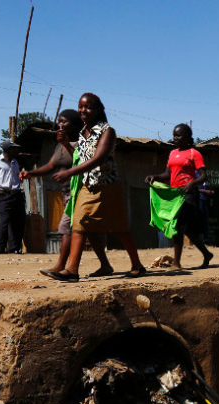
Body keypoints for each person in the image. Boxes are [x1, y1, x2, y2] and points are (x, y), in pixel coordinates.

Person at [46, 93, 145, 282]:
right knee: (79, 222)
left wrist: (70, 172)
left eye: (88, 107)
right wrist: (66, 144)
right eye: (80, 106)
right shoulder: (83, 132)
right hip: (88, 185)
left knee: (120, 228)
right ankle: (72, 271)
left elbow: (98, 158)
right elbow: (82, 156)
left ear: (98, 110)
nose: (83, 110)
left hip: (108, 186)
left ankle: (137, 266)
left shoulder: (107, 131)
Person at [19, 109, 112, 277]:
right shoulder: (59, 145)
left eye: (64, 122)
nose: (60, 125)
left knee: (66, 226)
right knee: (91, 231)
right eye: (59, 122)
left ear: (75, 124)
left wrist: (67, 145)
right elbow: (51, 166)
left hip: (82, 192)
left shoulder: (83, 142)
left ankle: (62, 266)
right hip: (67, 192)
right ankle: (105, 265)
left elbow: (82, 162)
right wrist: (30, 173)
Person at [144, 123, 214, 271]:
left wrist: (192, 183)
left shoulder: (194, 154)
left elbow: (203, 176)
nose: (175, 138)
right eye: (174, 135)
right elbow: (167, 175)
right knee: (189, 230)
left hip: (188, 195)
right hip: (175, 195)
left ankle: (176, 263)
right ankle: (207, 254)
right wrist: (155, 177)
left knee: (178, 225)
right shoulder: (172, 153)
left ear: (187, 137)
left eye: (178, 135)